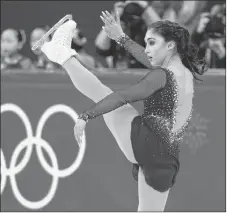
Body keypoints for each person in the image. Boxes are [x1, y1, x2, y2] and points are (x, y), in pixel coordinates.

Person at [39, 10, 207, 211]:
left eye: (152, 43)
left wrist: (86, 115)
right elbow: (149, 59)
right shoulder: (183, 72)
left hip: (146, 141)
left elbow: (122, 97)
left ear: (170, 46)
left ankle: (62, 53)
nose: (148, 49)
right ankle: (61, 52)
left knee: (102, 92)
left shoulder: (161, 76)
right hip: (165, 159)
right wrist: (120, 37)